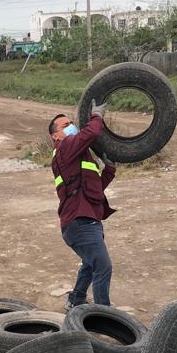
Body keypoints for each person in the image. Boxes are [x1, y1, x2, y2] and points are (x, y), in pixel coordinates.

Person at [49, 100, 116, 310]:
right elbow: (91, 133)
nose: (71, 126)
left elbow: (95, 188)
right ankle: (104, 317)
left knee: (90, 263)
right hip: (79, 222)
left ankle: (75, 300)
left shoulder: (78, 155)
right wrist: (97, 116)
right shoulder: (64, 148)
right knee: (102, 266)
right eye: (65, 125)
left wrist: (109, 170)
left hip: (85, 219)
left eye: (71, 123)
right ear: (55, 136)